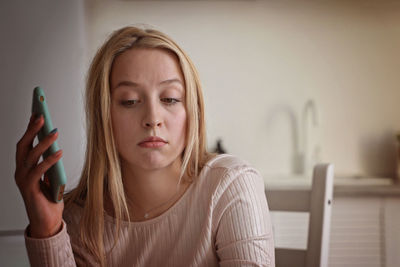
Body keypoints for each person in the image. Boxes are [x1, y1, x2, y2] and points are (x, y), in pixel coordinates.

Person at [15, 26, 275, 266]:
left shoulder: (230, 186)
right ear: (103, 116)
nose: (152, 118)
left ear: (192, 111)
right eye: (129, 101)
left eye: (170, 99)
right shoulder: (75, 222)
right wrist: (47, 231)